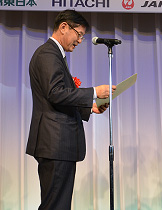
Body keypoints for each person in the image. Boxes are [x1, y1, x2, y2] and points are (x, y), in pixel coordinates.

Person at [26, 10, 116, 210]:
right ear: (64, 27)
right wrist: (93, 91)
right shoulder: (48, 53)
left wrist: (90, 109)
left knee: (58, 204)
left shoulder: (54, 55)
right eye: (79, 34)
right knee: (55, 205)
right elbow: (55, 93)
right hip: (55, 141)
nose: (80, 40)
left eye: (83, 36)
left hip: (57, 143)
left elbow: (58, 98)